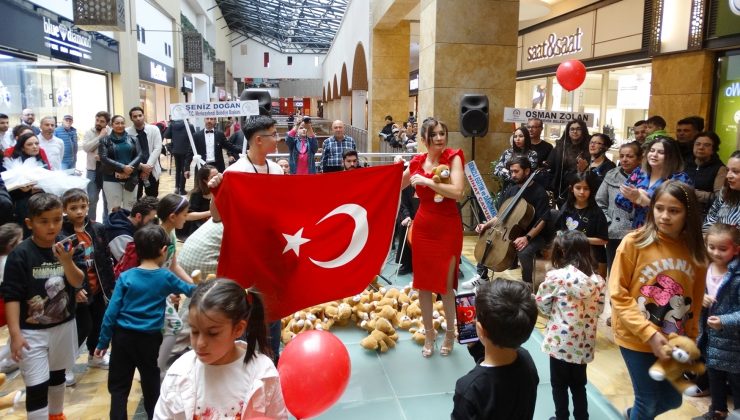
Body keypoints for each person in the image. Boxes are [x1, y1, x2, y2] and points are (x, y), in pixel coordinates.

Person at [609, 181, 707, 420]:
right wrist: (649, 334)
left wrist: (690, 339)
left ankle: (632, 416)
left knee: (673, 399)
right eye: (659, 208)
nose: (664, 216)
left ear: (688, 213)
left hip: (674, 338)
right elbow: (617, 294)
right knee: (648, 400)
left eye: (674, 210)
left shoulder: (695, 252)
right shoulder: (634, 242)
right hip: (636, 336)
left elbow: (694, 302)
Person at [94, 224, 196, 420]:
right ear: (164, 250)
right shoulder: (165, 277)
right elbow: (190, 290)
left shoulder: (126, 277)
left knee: (118, 389)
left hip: (122, 339)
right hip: (149, 340)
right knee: (151, 385)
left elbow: (111, 313)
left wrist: (103, 342)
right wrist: (206, 284)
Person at [0, 193, 85, 420]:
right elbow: (11, 297)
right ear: (30, 223)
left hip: (64, 327)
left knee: (58, 378)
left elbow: (78, 281)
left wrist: (66, 260)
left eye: (57, 220)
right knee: (37, 386)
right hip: (31, 333)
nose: (51, 226)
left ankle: (56, 415)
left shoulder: (68, 245)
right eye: (44, 221)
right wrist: (15, 334)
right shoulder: (20, 254)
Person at [154, 279, 288, 419]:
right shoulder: (178, 373)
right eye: (194, 331)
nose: (200, 343)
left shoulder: (263, 375)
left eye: (212, 333)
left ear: (238, 329)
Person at [400, 117, 464, 357]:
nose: (440, 138)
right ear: (424, 139)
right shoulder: (416, 161)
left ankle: (450, 333)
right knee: (423, 284)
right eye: (434, 134)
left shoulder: (454, 156)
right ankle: (429, 332)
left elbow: (457, 192)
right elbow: (397, 184)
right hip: (424, 227)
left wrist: (427, 181)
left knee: (446, 287)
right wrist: (395, 170)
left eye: (442, 133)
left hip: (447, 227)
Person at [536, 230, 605, 420]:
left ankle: (562, 417)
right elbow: (599, 310)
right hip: (583, 343)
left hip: (560, 343)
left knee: (559, 385)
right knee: (579, 385)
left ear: (563, 252)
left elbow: (542, 304)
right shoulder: (598, 281)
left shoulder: (556, 277)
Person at [451, 279, 539, 420]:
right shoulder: (527, 360)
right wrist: (475, 345)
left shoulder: (469, 388)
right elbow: (500, 371)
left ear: (479, 329)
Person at [468, 157, 551, 289]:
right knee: (488, 238)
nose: (513, 175)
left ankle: (527, 284)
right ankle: (482, 276)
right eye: (511, 171)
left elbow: (542, 221)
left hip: (535, 234)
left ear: (527, 171)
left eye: (516, 171)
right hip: (511, 231)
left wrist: (527, 237)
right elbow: (500, 216)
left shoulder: (540, 193)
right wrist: (486, 225)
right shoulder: (512, 190)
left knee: (524, 251)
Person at [59, 188, 114, 387]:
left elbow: (106, 259)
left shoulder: (97, 229)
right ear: (65, 209)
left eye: (83, 206)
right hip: (79, 291)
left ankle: (96, 355)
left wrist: (111, 286)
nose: (79, 212)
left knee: (99, 323)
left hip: (98, 288)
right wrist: (74, 289)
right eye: (74, 208)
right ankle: (63, 367)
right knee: (81, 327)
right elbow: (61, 267)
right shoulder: (62, 235)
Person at [695, 223, 740, 420]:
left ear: (736, 249)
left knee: (737, 380)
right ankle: (718, 410)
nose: (716, 252)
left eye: (723, 248)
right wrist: (699, 299)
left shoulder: (737, 276)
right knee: (714, 376)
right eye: (711, 247)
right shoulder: (702, 267)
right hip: (709, 338)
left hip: (734, 342)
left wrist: (724, 321)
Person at [156, 194, 195, 379]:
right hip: (154, 292)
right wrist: (166, 291)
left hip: (161, 291)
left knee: (170, 327)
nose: (186, 219)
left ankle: (158, 365)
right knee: (173, 325)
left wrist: (193, 285)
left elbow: (173, 265)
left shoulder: (170, 233)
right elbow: (154, 270)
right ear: (173, 217)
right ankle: (157, 367)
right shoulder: (157, 236)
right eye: (184, 215)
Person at [615, 137, 692, 228]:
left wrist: (644, 200)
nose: (654, 155)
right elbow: (619, 201)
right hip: (639, 228)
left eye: (661, 152)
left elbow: (679, 210)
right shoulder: (639, 172)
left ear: (672, 156)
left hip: (665, 229)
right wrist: (634, 197)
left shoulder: (680, 178)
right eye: (652, 151)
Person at [595, 142, 643, 272]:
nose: (625, 160)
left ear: (639, 158)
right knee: (615, 270)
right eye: (622, 156)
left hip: (639, 231)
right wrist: (608, 221)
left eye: (629, 156)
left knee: (636, 271)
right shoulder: (612, 174)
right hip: (615, 231)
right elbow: (600, 201)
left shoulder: (646, 177)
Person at [553, 171, 609, 277]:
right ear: (571, 189)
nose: (582, 192)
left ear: (591, 190)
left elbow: (604, 240)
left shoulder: (597, 212)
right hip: (569, 257)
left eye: (586, 188)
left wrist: (578, 239)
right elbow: (559, 230)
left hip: (594, 259)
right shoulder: (566, 208)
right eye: (578, 188)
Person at [99, 115, 143, 212]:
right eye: (117, 123)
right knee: (114, 208)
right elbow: (104, 158)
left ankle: (128, 227)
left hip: (130, 177)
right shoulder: (104, 140)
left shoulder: (134, 139)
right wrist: (123, 168)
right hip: (111, 178)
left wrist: (128, 170)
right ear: (112, 125)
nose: (120, 125)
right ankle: (116, 227)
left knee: (130, 207)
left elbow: (139, 155)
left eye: (122, 123)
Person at [546, 120, 590, 205]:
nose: (575, 131)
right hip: (561, 188)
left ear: (583, 131)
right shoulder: (560, 146)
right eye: (572, 129)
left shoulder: (589, 147)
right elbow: (550, 166)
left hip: (581, 188)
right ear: (568, 132)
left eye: (578, 129)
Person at [0, 223, 24, 375]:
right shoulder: (10, 261)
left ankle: (10, 360)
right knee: (17, 332)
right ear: (11, 245)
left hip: (5, 302)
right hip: (6, 304)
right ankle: (8, 361)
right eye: (20, 240)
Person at [105, 196, 159, 262]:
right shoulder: (121, 236)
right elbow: (131, 265)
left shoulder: (127, 217)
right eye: (151, 221)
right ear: (138, 217)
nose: (154, 225)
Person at [685, 131, 727, 213]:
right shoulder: (685, 164)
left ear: (713, 150)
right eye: (698, 144)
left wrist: (692, 193)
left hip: (705, 213)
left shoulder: (720, 168)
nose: (701, 147)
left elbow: (719, 198)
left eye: (706, 145)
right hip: (683, 209)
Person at [127, 106, 163, 199]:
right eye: (135, 116)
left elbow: (157, 148)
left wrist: (147, 168)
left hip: (151, 168)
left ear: (144, 116)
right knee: (135, 197)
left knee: (152, 196)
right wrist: (141, 166)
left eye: (140, 115)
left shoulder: (154, 129)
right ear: (131, 118)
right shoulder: (127, 132)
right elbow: (129, 153)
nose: (138, 118)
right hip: (134, 169)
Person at [82, 111, 111, 222]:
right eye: (97, 120)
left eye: (102, 121)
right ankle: (91, 224)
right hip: (92, 171)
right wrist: (100, 137)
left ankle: (106, 225)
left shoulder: (112, 132)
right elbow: (86, 148)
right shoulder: (89, 132)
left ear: (107, 123)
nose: (98, 123)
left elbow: (113, 151)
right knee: (92, 199)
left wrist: (103, 157)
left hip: (107, 171)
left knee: (108, 200)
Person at [704, 150, 740, 231]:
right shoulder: (726, 190)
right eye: (728, 170)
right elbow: (711, 217)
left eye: (735, 171)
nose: (728, 176)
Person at [179, 165, 216, 239]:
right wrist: (211, 213)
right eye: (213, 177)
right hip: (199, 230)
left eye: (218, 175)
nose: (217, 178)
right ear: (205, 181)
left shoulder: (221, 189)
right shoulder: (197, 194)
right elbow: (188, 216)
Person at [163, 118, 196, 195]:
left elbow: (166, 135)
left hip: (175, 150)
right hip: (186, 150)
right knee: (184, 169)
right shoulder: (189, 125)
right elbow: (194, 137)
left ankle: (177, 187)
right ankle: (182, 189)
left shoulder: (172, 125)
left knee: (178, 169)